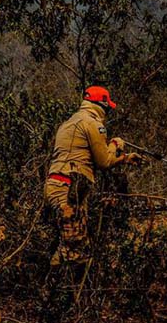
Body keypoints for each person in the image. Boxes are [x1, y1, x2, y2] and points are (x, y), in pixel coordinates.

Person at [44, 86, 141, 267]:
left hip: (56, 186)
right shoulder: (93, 124)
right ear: (101, 105)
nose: (108, 111)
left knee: (66, 245)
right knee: (76, 254)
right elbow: (103, 161)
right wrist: (115, 144)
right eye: (107, 107)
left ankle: (51, 284)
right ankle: (56, 290)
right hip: (69, 191)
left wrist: (126, 158)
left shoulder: (69, 122)